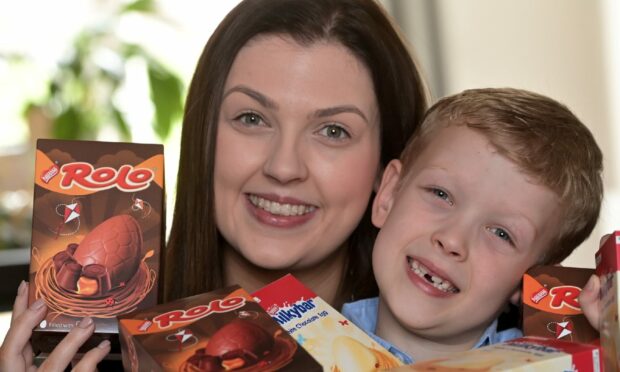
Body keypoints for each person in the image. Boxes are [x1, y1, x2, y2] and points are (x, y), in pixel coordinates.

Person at [0, 0, 429, 370]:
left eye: (334, 131)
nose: (283, 167)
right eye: (252, 118)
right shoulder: (100, 352)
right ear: (203, 134)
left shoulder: (453, 352)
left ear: (386, 171)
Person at [342, 87, 604, 364]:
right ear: (389, 196)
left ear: (533, 280)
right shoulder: (299, 342)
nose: (452, 240)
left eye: (502, 234)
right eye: (440, 194)